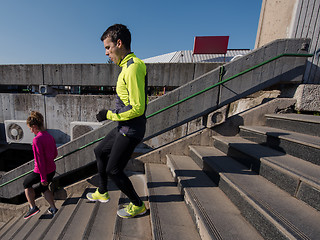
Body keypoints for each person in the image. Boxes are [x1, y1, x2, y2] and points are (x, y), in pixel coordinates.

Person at [86, 24, 148, 218]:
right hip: (124, 125)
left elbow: (138, 108)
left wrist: (108, 115)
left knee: (114, 170)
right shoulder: (126, 67)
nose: (106, 53)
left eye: (107, 47)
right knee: (99, 151)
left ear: (119, 43)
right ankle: (102, 192)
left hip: (131, 129)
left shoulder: (133, 67)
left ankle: (137, 204)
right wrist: (114, 116)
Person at [23, 111, 58, 219]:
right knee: (44, 188)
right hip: (52, 168)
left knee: (26, 184)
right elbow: (55, 153)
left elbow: (39, 160)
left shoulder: (36, 140)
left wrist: (42, 177)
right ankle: (53, 207)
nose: (30, 130)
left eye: (30, 128)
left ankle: (33, 207)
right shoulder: (49, 136)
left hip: (42, 171)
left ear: (34, 126)